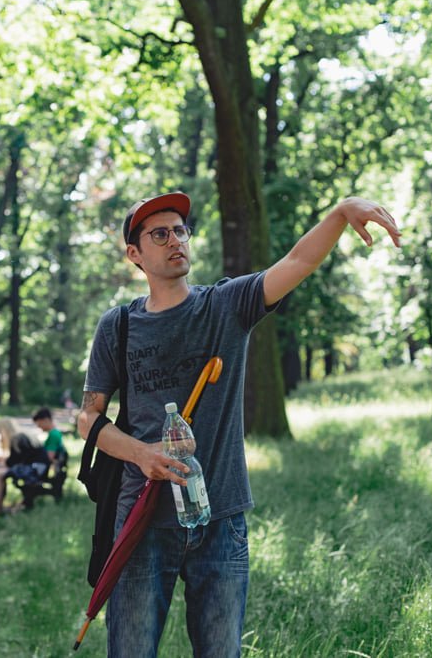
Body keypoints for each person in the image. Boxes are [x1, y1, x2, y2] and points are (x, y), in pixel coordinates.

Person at [78, 191, 401, 656]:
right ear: (135, 254)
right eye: (160, 234)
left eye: (181, 230)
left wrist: (340, 213)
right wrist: (142, 455)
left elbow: (295, 263)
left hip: (221, 520)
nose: (175, 240)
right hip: (141, 518)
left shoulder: (227, 305)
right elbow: (88, 417)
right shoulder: (119, 325)